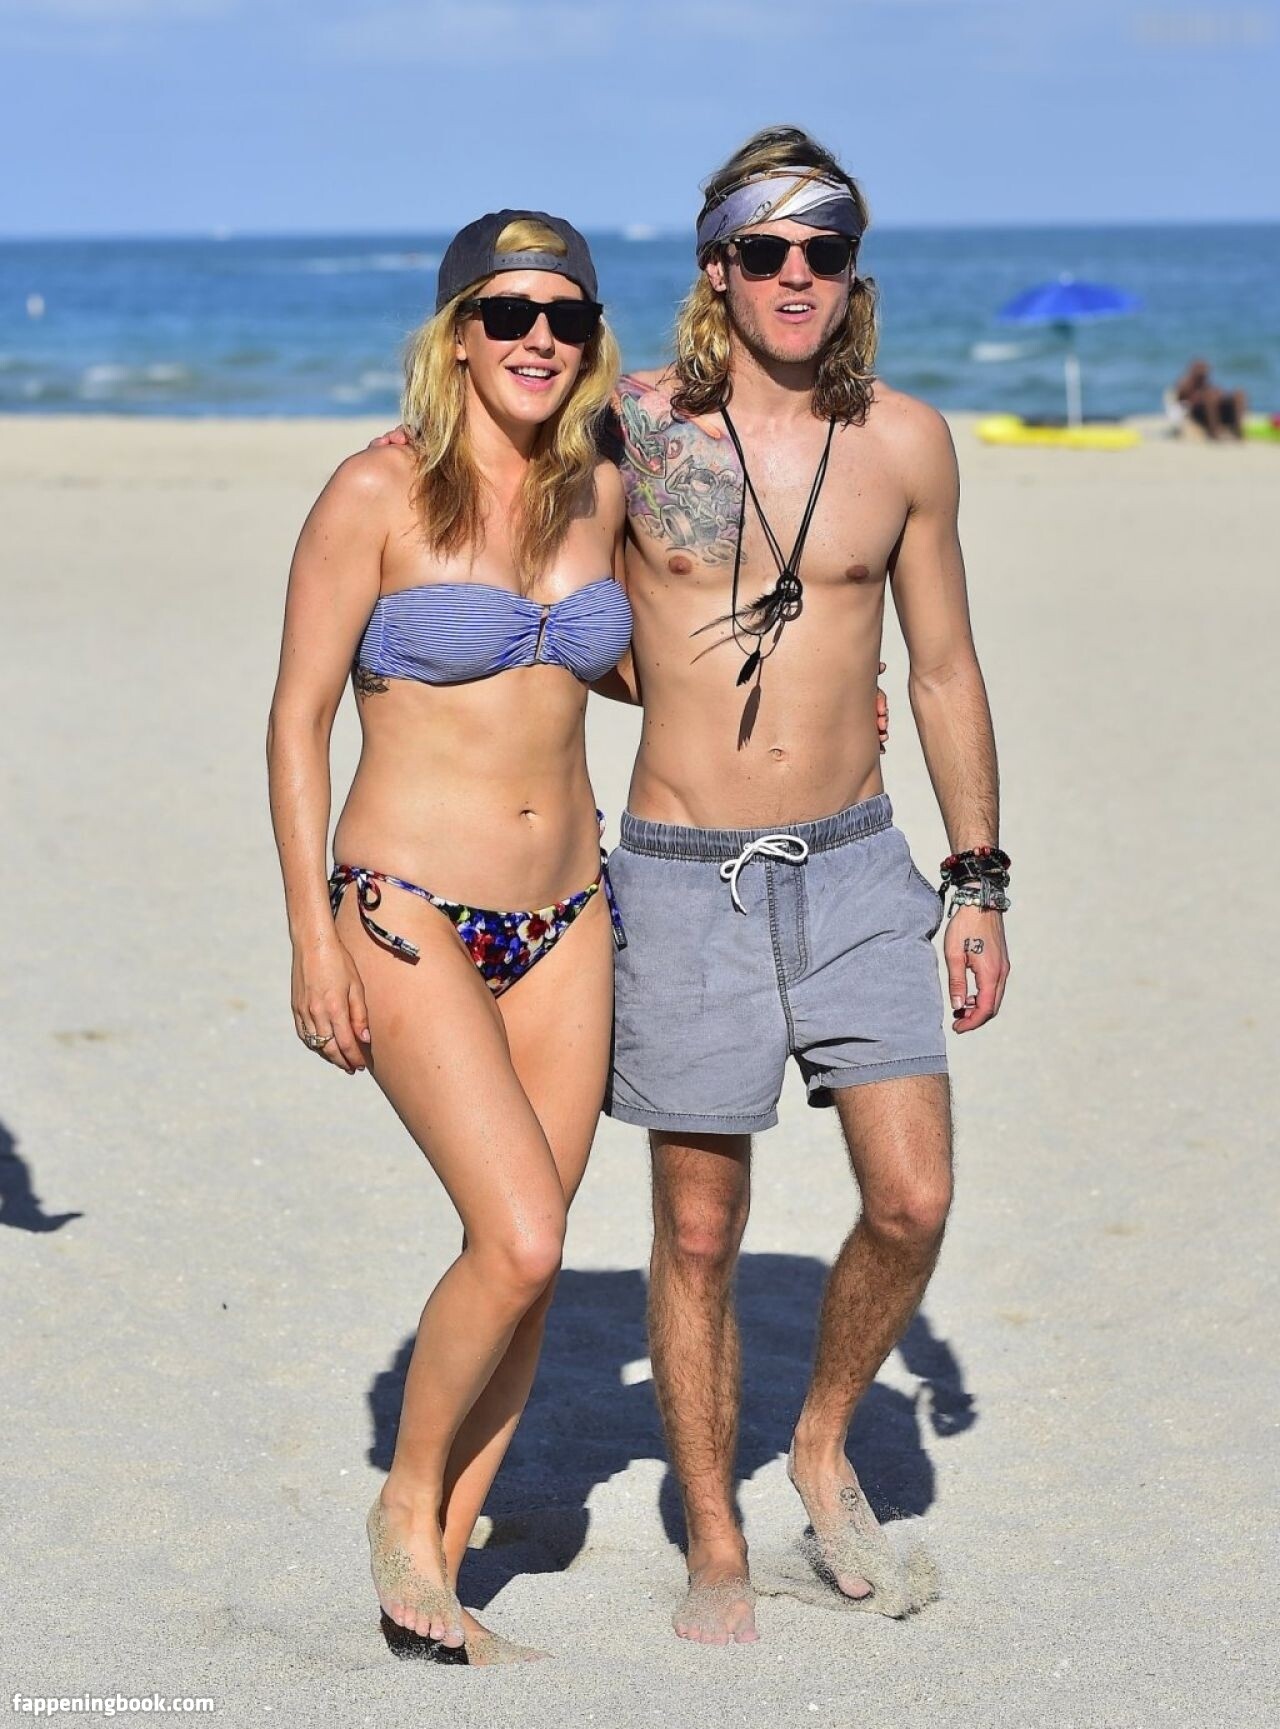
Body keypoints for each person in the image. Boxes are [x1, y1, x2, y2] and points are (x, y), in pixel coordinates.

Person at [600, 125, 1010, 1645]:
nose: (794, 275)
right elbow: (544, 604)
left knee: (912, 1197)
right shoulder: (629, 427)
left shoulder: (903, 441)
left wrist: (978, 878)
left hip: (853, 866)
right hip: (682, 875)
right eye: (764, 250)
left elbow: (944, 668)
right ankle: (714, 1533)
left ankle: (822, 1435)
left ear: (852, 271)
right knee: (701, 1233)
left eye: (822, 250)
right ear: (716, 265)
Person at [266, 210, 631, 1665]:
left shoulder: (599, 488)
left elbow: (623, 665)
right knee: (522, 1233)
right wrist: (310, 934)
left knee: (530, 1259)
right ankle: (405, 1506)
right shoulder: (375, 489)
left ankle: (443, 1590)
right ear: (456, 334)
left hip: (571, 914)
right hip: (406, 904)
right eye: (507, 312)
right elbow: (296, 720)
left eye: (565, 316)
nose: (538, 337)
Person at [1174, 358, 1248, 439]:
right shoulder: (1186, 384)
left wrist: (1219, 394)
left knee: (1239, 394)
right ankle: (1214, 431)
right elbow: (1179, 403)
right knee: (1210, 397)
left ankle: (1237, 428)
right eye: (1200, 369)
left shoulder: (1206, 385)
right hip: (1200, 414)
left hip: (1218, 411)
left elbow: (1217, 393)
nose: (1203, 373)